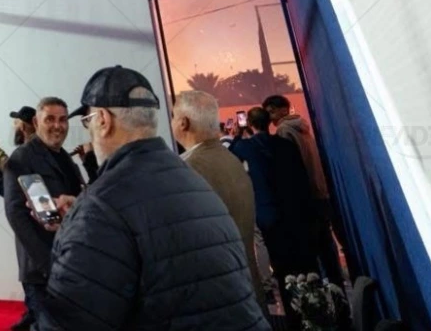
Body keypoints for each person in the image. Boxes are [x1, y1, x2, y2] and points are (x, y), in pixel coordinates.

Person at [39, 67, 268, 330]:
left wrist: (82, 225)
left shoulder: (102, 206)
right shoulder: (192, 180)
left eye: (87, 121)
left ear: (103, 120)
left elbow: (68, 320)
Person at [172, 91, 263, 306]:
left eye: (174, 116)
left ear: (184, 123)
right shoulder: (230, 158)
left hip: (220, 296)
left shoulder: (186, 168)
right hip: (247, 287)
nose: (173, 122)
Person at [231, 107, 320, 322]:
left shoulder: (246, 146)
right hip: (292, 211)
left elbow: (232, 153)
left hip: (267, 214)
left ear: (249, 123)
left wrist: (236, 135)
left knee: (280, 267)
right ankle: (311, 313)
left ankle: (293, 316)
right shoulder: (285, 145)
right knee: (300, 264)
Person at [2, 97, 83, 329]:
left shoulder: (66, 158)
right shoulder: (22, 158)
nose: (57, 125)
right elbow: (16, 215)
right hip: (41, 271)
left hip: (68, 262)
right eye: (50, 119)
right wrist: (48, 265)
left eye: (63, 120)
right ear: (36, 122)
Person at [262, 95, 346, 285]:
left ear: (283, 109)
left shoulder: (284, 131)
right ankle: (337, 284)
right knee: (326, 244)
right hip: (321, 191)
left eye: (272, 111)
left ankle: (325, 291)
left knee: (311, 248)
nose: (271, 117)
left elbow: (289, 167)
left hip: (305, 196)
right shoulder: (303, 126)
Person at [0, 106, 36, 198]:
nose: (14, 127)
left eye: (16, 123)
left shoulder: (30, 148)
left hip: (32, 199)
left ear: (23, 126)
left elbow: (11, 167)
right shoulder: (35, 146)